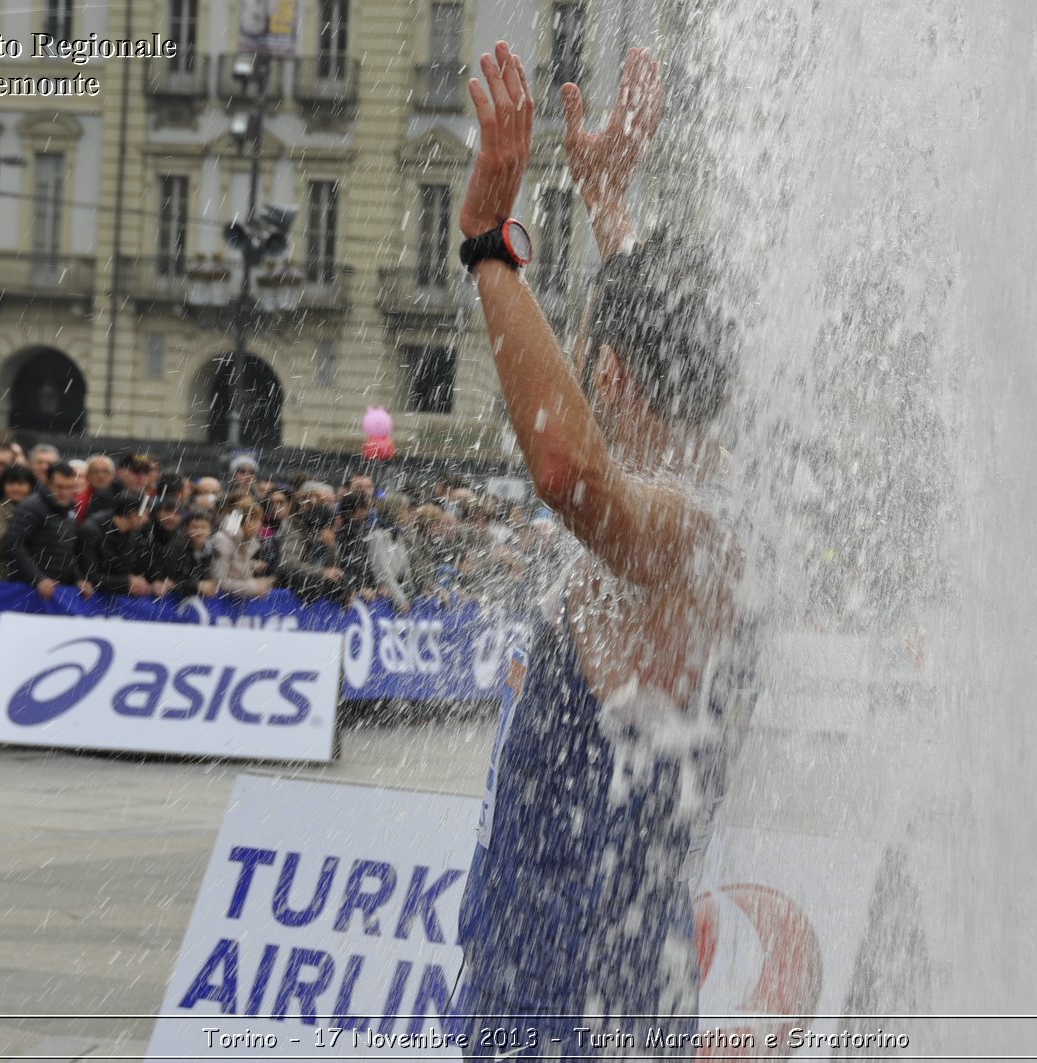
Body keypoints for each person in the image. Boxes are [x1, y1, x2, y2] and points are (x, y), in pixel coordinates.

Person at [451, 44, 756, 1056]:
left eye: (580, 347)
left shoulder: (686, 525)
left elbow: (568, 472)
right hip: (574, 989)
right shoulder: (715, 497)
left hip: (582, 1012)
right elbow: (650, 328)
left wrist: (490, 247)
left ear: (611, 376)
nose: (570, 369)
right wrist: (606, 194)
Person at [5, 460, 93, 600]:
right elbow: (14, 544)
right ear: (47, 482)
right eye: (59, 487)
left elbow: (66, 551)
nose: (64, 492)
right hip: (27, 590)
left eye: (69, 487)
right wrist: (38, 578)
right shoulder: (31, 507)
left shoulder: (70, 510)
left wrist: (79, 578)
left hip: (56, 590)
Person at [80, 490, 155, 597]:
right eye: (146, 514)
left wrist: (140, 581)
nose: (147, 520)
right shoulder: (91, 530)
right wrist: (126, 583)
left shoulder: (133, 535)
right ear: (133, 514)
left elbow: (127, 568)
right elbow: (88, 576)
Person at [0, 465, 36, 581]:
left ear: (31, 487)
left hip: (34, 578)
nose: (15, 488)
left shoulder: (38, 510)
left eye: (21, 484)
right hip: (3, 577)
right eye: (11, 483)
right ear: (3, 485)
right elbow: (1, 545)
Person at [209, 501, 273, 598]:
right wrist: (252, 588)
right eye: (256, 520)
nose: (260, 524)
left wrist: (255, 582)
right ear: (245, 522)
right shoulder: (222, 540)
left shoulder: (248, 540)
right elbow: (218, 580)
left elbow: (240, 574)